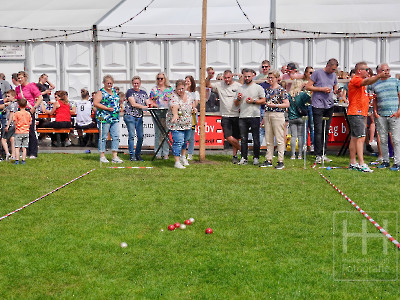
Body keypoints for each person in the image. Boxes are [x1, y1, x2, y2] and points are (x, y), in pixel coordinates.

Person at [347, 61, 388, 172]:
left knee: (355, 138)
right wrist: (379, 75)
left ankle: (353, 162)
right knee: (360, 138)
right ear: (359, 70)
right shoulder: (356, 79)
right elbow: (367, 81)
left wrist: (368, 98)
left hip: (358, 112)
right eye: (366, 69)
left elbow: (359, 95)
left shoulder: (359, 81)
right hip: (357, 113)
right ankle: (361, 163)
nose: (368, 71)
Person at [305, 58, 339, 163]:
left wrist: (337, 90)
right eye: (332, 69)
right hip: (318, 104)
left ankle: (324, 153)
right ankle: (318, 154)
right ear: (328, 65)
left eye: (335, 70)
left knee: (326, 130)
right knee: (318, 130)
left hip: (329, 104)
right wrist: (321, 89)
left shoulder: (333, 75)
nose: (333, 71)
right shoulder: (318, 73)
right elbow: (308, 86)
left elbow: (335, 85)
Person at [206, 69, 242, 163]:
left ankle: (235, 156)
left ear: (232, 77)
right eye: (225, 78)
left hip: (236, 114)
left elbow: (243, 89)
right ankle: (243, 151)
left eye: (228, 78)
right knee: (228, 137)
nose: (227, 80)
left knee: (236, 136)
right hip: (225, 115)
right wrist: (209, 76)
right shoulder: (219, 85)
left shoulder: (238, 85)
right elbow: (207, 84)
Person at [234, 68, 266, 165]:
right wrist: (238, 99)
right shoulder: (240, 88)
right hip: (243, 116)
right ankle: (244, 158)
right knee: (243, 139)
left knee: (255, 138)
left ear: (253, 76)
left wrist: (254, 101)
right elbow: (235, 104)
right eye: (245, 76)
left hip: (254, 115)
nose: (247, 78)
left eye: (249, 76)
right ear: (243, 76)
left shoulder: (258, 88)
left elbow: (264, 100)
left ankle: (256, 157)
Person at [372, 63, 400, 171]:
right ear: (379, 72)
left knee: (396, 139)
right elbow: (374, 99)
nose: (387, 72)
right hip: (381, 115)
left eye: (388, 69)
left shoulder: (396, 82)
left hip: (394, 114)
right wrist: (375, 112)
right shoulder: (375, 84)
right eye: (384, 70)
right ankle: (385, 161)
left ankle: (397, 162)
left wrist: (399, 111)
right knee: (383, 139)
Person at [260, 70, 290, 169]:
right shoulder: (268, 90)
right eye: (269, 78)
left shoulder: (281, 90)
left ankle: (280, 160)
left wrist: (276, 105)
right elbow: (266, 104)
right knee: (268, 138)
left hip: (278, 114)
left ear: (277, 78)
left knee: (279, 138)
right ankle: (269, 159)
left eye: (272, 78)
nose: (270, 79)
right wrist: (264, 117)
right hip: (268, 113)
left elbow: (287, 104)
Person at [93, 75, 123, 163]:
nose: (109, 85)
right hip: (104, 117)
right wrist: (106, 108)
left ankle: (115, 156)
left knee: (116, 136)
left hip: (114, 117)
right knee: (103, 136)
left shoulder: (114, 91)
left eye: (111, 83)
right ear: (104, 83)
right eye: (108, 83)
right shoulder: (101, 92)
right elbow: (96, 103)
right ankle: (102, 155)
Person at [166, 79, 195, 169]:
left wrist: (194, 108)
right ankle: (177, 161)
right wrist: (175, 115)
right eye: (179, 89)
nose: (181, 91)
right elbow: (174, 106)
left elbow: (192, 104)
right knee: (178, 142)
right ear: (176, 88)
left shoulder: (189, 95)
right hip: (176, 124)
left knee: (185, 141)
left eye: (182, 89)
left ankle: (183, 157)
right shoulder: (173, 96)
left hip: (188, 123)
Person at [15, 71, 43, 159]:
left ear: (25, 77)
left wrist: (34, 107)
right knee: (22, 131)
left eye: (21, 78)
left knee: (30, 130)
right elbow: (16, 99)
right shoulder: (18, 88)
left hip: (29, 110)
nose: (19, 80)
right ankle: (25, 151)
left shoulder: (31, 86)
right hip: (21, 111)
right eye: (18, 78)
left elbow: (40, 97)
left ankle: (33, 152)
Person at [124, 76, 151, 162]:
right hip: (130, 115)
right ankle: (132, 155)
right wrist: (145, 107)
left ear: (140, 83)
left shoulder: (144, 92)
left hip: (139, 116)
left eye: (137, 83)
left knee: (140, 136)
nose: (136, 85)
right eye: (134, 83)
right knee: (132, 136)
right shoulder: (130, 92)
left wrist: (150, 105)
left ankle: (138, 154)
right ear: (132, 83)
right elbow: (133, 104)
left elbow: (148, 101)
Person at [149, 72, 174, 159]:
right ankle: (158, 153)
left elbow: (173, 100)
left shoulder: (170, 89)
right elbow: (150, 101)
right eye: (158, 78)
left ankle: (166, 153)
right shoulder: (154, 90)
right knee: (158, 133)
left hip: (167, 113)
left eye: (161, 78)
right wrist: (156, 105)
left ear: (165, 79)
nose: (160, 80)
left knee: (166, 133)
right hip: (157, 113)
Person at [288, 80, 311, 160]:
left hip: (291, 117)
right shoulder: (302, 94)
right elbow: (310, 101)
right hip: (301, 117)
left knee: (293, 136)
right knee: (300, 136)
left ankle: (292, 154)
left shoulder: (289, 95)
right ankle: (300, 154)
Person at [184, 75, 200, 160]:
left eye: (188, 81)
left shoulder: (195, 93)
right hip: (184, 114)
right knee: (184, 135)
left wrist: (192, 106)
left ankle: (190, 153)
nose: (186, 83)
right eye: (185, 81)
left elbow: (196, 103)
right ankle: (182, 152)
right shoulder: (183, 92)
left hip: (192, 115)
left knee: (191, 136)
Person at [13, 98, 32, 165]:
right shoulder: (28, 114)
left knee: (17, 147)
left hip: (18, 131)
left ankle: (17, 160)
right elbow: (30, 122)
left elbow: (15, 121)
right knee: (24, 147)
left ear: (18, 105)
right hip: (26, 131)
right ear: (26, 105)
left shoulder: (16, 113)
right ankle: (23, 160)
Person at [1, 90, 18, 161]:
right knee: (12, 139)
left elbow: (11, 114)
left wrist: (7, 125)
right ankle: (13, 155)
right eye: (6, 96)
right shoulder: (15, 104)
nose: (7, 98)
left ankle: (7, 153)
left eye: (9, 96)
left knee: (3, 139)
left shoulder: (12, 104)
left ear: (13, 96)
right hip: (14, 124)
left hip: (9, 123)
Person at [303, 66, 314, 151]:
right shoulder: (302, 82)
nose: (311, 74)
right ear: (306, 73)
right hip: (303, 105)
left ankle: (313, 145)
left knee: (312, 126)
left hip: (312, 105)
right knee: (304, 126)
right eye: (310, 73)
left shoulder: (315, 82)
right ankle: (304, 145)